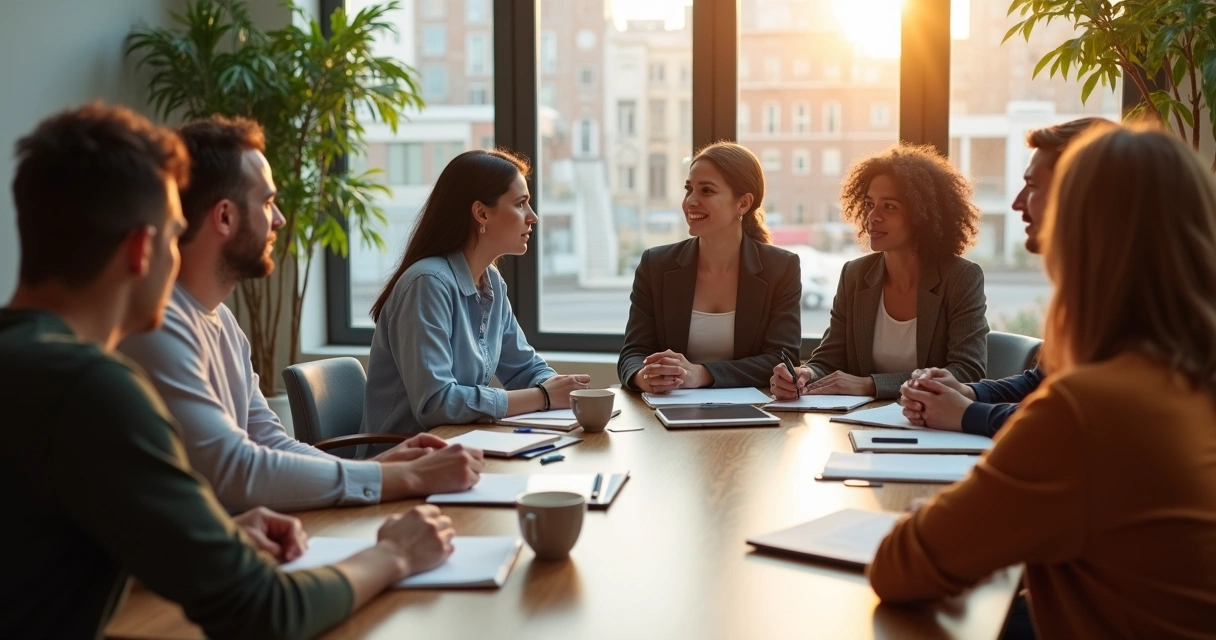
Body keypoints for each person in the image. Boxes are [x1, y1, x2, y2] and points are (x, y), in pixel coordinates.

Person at [0, 102, 456, 639]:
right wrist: (395, 554)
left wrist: (210, 536)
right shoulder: (91, 387)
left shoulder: (33, 364)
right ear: (143, 249)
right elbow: (266, 612)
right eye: (174, 234)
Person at [868, 124, 1216, 637]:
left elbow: (899, 568)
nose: (1017, 204)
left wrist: (933, 519)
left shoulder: (1087, 407)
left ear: (1082, 228)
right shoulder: (1185, 376)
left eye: (1034, 188)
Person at [119, 115, 484, 513]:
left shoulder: (221, 319)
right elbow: (235, 472)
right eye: (267, 203)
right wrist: (403, 478)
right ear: (224, 217)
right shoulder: (158, 325)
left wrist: (378, 468)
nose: (279, 219)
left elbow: (271, 443)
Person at [897, 118, 1110, 435]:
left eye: (1033, 186)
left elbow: (1072, 420)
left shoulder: (1126, 304)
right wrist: (965, 392)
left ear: (1078, 195)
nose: (1017, 202)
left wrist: (966, 413)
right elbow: (1040, 383)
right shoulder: (1091, 291)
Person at [362, 149, 590, 438]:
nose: (532, 217)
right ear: (481, 213)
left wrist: (564, 390)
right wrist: (543, 396)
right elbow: (436, 403)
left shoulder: (491, 281)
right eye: (520, 204)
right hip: (402, 455)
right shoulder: (427, 283)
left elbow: (524, 369)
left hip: (459, 446)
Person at [770, 143, 988, 400]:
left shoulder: (961, 278)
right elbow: (829, 359)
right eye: (869, 204)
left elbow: (966, 372)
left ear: (923, 215)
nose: (872, 216)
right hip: (860, 418)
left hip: (931, 419)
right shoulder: (855, 274)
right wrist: (805, 374)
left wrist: (871, 385)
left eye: (889, 207)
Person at [618, 142, 801, 392]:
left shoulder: (781, 268)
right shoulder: (656, 265)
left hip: (752, 410)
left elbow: (782, 359)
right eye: (689, 189)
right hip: (669, 407)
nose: (690, 201)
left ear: (743, 203)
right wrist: (644, 376)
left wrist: (702, 374)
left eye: (707, 191)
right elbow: (633, 353)